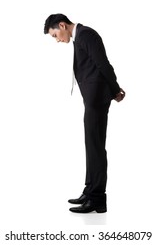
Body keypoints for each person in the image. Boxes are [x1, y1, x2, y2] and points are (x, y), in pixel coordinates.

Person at [44, 14, 125, 213]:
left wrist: (115, 90)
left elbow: (103, 64)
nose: (57, 40)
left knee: (95, 146)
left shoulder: (87, 35)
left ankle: (97, 199)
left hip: (97, 99)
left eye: (55, 35)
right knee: (91, 145)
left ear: (62, 25)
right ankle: (90, 191)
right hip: (92, 99)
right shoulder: (80, 37)